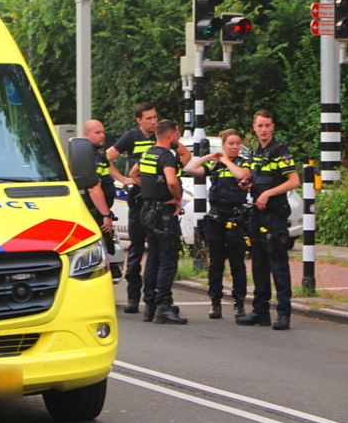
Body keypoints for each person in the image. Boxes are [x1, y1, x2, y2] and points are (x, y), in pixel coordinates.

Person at [236, 110, 300, 331]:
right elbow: (256, 177)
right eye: (260, 126)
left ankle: (283, 314)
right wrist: (248, 184)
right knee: (259, 263)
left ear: (273, 127)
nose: (263, 130)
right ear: (254, 128)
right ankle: (260, 311)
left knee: (278, 265)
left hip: (275, 214)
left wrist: (268, 193)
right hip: (257, 213)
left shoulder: (280, 151)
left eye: (267, 125)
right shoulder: (255, 152)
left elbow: (293, 181)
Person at [183, 128, 252, 319]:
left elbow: (241, 175)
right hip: (216, 218)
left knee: (237, 264)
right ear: (223, 145)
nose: (235, 147)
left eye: (237, 143)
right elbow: (190, 169)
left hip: (236, 218)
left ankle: (239, 304)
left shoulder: (243, 163)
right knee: (215, 264)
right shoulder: (216, 166)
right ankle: (215, 303)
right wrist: (209, 157)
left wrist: (226, 160)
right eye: (231, 144)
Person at [107, 103, 159, 313]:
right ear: (139, 120)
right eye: (148, 118)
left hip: (157, 198)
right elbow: (106, 158)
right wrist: (122, 178)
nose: (153, 122)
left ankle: (153, 297)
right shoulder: (131, 137)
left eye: (155, 117)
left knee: (156, 249)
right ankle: (133, 297)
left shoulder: (161, 136)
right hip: (138, 198)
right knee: (137, 248)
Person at [137, 120, 188, 324]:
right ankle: (164, 306)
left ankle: (149, 305)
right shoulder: (167, 156)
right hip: (163, 213)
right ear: (170, 135)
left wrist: (149, 190)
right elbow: (172, 181)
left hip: (147, 210)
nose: (178, 137)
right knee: (168, 259)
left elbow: (134, 174)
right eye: (177, 134)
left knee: (153, 258)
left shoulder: (148, 153)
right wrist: (177, 198)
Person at [82, 119, 126, 280]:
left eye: (103, 132)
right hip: (96, 212)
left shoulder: (99, 153)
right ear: (86, 135)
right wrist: (105, 215)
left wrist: (123, 179)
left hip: (101, 209)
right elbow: (93, 189)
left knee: (107, 248)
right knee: (100, 249)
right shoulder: (89, 157)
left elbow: (107, 165)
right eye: (97, 133)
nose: (102, 135)